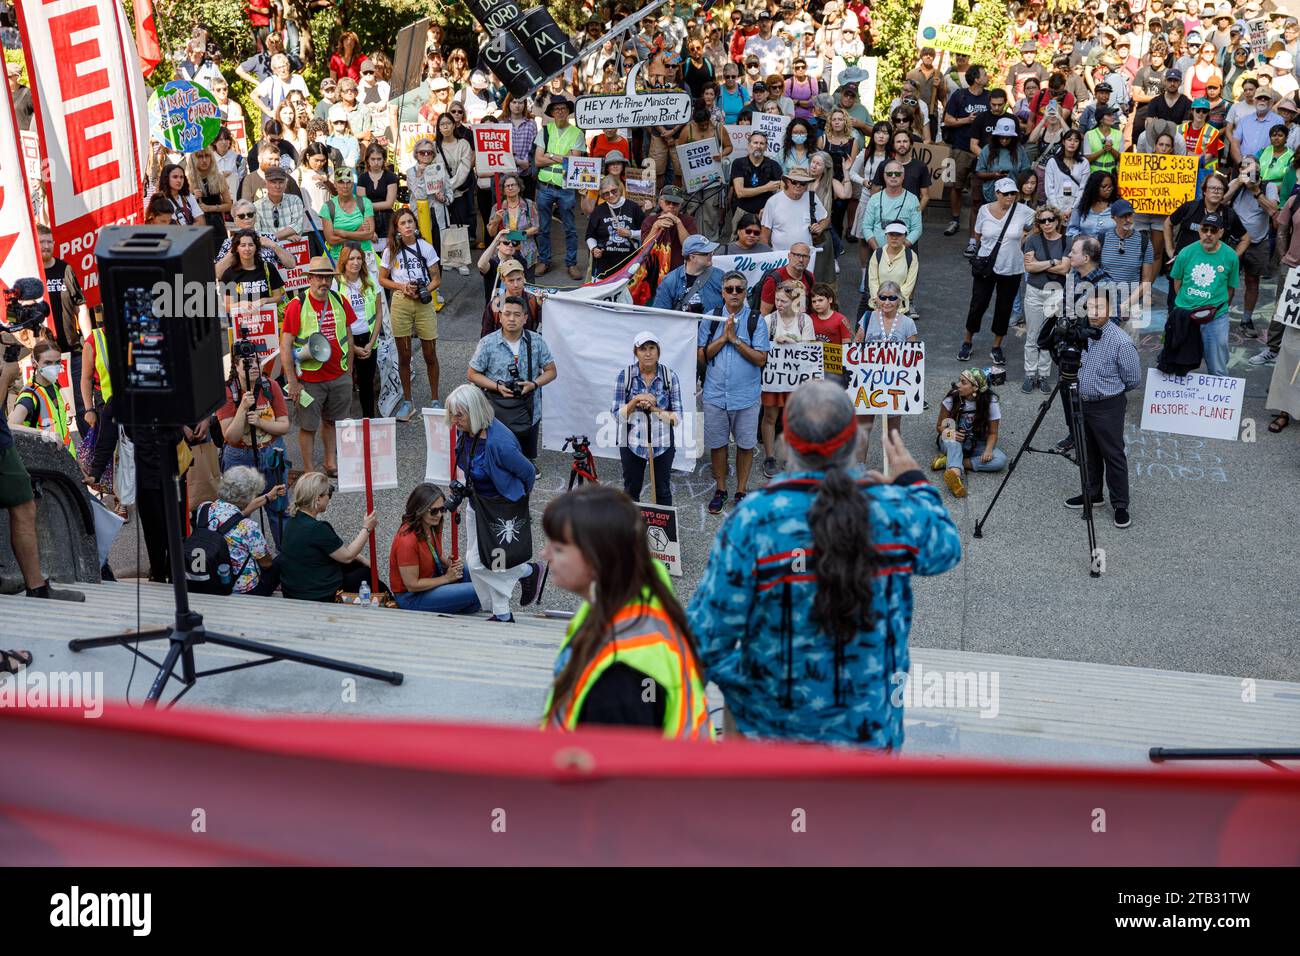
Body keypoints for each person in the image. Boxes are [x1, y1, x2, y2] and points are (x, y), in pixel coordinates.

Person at [688, 382, 961, 748]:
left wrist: (742, 678)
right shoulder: (894, 510)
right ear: (856, 442)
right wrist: (912, 480)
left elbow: (705, 639)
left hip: (770, 742)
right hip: (868, 742)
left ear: (786, 443)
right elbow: (945, 548)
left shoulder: (756, 519)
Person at [540, 485, 710, 736]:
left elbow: (616, 768)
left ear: (598, 558)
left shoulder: (620, 677)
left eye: (558, 549)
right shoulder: (640, 587)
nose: (544, 554)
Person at [445, 384, 547, 623]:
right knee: (487, 562)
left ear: (476, 411)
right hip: (477, 503)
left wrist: (517, 504)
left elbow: (528, 473)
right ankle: (501, 613)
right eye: (452, 414)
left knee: (479, 563)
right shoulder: (467, 432)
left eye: (459, 415)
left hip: (499, 510)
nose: (454, 420)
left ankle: (528, 571)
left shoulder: (499, 443)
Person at [1068, 291, 1143, 529]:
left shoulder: (1121, 341)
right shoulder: (1084, 334)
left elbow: (1133, 379)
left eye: (1099, 307)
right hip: (1082, 401)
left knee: (1113, 455)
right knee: (1088, 452)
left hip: (1107, 405)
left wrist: (1109, 391)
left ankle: (1121, 505)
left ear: (1110, 310)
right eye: (1090, 308)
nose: (1094, 312)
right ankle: (1093, 494)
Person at [698, 272, 770, 514]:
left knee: (745, 444)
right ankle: (720, 489)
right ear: (722, 292)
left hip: (746, 396)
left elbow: (761, 358)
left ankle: (740, 490)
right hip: (715, 395)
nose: (735, 293)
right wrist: (724, 338)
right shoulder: (710, 317)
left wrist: (736, 340)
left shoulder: (755, 319)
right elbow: (701, 355)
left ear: (745, 292)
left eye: (739, 289)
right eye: (730, 289)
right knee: (717, 444)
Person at [280, 256, 355, 477]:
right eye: (319, 278)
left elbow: (349, 338)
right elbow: (285, 347)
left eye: (327, 278)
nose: (324, 282)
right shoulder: (297, 305)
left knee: (332, 421)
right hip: (309, 380)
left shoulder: (340, 300)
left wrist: (349, 372)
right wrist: (292, 382)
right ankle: (310, 471)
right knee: (308, 426)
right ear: (310, 279)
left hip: (339, 375)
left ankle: (330, 463)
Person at [216, 341, 290, 544]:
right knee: (238, 512)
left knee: (279, 509)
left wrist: (260, 422)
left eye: (257, 361)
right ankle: (241, 557)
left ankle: (284, 555)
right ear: (236, 367)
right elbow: (230, 436)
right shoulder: (227, 392)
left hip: (271, 452)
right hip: (240, 455)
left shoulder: (270, 385)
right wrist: (242, 408)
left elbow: (284, 426)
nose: (254, 366)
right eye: (247, 363)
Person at [467, 295, 557, 462]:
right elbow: (472, 374)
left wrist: (534, 384)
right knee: (497, 458)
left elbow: (551, 371)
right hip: (495, 408)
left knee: (526, 459)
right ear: (500, 317)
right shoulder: (488, 343)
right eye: (507, 314)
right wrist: (496, 386)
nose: (511, 319)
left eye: (517, 314)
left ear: (525, 318)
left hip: (529, 409)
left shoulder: (536, 341)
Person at [959, 177, 1035, 365]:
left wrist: (1027, 237)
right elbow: (978, 233)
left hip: (1012, 267)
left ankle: (996, 346)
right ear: (997, 193)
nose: (1010, 196)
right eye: (1006, 193)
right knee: (978, 304)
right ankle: (967, 340)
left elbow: (1045, 219)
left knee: (1004, 307)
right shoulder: (985, 210)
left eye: (1013, 193)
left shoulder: (1023, 211)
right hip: (986, 265)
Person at [379, 208, 441, 422]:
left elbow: (436, 278)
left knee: (430, 354)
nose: (407, 226)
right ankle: (407, 401)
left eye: (410, 222)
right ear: (396, 228)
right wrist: (402, 287)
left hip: (423, 303)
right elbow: (382, 279)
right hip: (400, 301)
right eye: (402, 223)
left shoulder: (426, 247)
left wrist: (424, 290)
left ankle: (435, 400)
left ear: (415, 224)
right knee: (404, 356)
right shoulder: (390, 250)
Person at [279, 472, 382, 601]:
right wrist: (367, 528)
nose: (329, 499)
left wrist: (360, 558)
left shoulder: (292, 521)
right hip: (318, 595)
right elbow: (347, 556)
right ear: (317, 499)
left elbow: (337, 552)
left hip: (293, 590)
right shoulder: (318, 528)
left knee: (357, 565)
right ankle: (391, 605)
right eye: (329, 494)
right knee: (365, 574)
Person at [612, 331, 683, 506]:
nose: (648, 353)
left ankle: (663, 531)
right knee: (631, 491)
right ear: (635, 352)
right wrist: (636, 399)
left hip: (662, 443)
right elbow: (616, 415)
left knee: (663, 490)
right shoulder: (625, 375)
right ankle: (630, 531)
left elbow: (676, 418)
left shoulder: (669, 376)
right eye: (643, 349)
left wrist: (653, 409)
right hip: (632, 443)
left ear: (658, 351)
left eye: (652, 348)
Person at [387, 483, 481, 614]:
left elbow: (435, 554)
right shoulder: (407, 540)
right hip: (411, 597)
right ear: (419, 510)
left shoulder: (432, 525)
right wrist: (447, 578)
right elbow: (412, 585)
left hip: (431, 581)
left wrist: (447, 563)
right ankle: (463, 605)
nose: (439, 515)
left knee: (479, 575)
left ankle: (462, 605)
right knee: (478, 590)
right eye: (434, 511)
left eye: (442, 509)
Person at [1169, 211, 1238, 376]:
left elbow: (1230, 289)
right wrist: (1190, 303)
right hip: (1186, 315)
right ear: (1199, 230)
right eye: (1205, 229)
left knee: (1218, 368)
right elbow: (1177, 283)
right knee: (1177, 364)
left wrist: (1217, 308)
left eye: (1213, 230)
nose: (1208, 234)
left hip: (1215, 317)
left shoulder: (1231, 257)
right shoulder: (1186, 253)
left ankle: (1219, 398)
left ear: (1221, 232)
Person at [760, 281, 818, 478]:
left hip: (796, 378)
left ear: (794, 301)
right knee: (770, 417)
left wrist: (792, 342)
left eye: (783, 300)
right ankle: (769, 456)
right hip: (774, 377)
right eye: (777, 300)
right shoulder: (769, 320)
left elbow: (811, 348)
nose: (779, 304)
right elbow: (760, 346)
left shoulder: (805, 321)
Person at [36, 225, 88, 435]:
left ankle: (90, 458)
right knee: (45, 409)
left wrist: (89, 339)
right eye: (41, 242)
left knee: (82, 406)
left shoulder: (65, 269)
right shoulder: (31, 273)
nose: (46, 246)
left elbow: (81, 305)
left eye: (49, 241)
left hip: (71, 352)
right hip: (42, 356)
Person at [199, 467, 283, 596]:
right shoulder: (248, 527)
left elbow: (232, 515)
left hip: (212, 578)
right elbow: (266, 563)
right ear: (247, 498)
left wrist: (267, 498)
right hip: (245, 589)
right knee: (280, 561)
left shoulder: (204, 508)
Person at [930, 368, 1008, 499]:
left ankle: (952, 462)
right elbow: (939, 427)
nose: (958, 385)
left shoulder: (990, 401)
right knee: (953, 444)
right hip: (951, 440)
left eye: (963, 382)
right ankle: (956, 477)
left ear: (975, 387)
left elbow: (993, 433)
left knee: (1000, 460)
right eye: (959, 381)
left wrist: (988, 450)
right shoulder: (951, 398)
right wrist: (951, 433)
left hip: (977, 442)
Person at [534, 97, 585, 279]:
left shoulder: (577, 133)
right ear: (552, 113)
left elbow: (573, 162)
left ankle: (571, 264)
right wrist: (562, 157)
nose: (561, 112)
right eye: (557, 109)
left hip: (566, 188)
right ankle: (544, 260)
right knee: (543, 227)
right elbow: (538, 160)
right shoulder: (545, 131)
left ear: (568, 111)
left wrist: (552, 155)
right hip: (545, 185)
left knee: (570, 228)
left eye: (563, 109)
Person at [1021, 204, 1070, 393]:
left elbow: (1065, 269)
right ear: (1038, 223)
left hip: (1055, 291)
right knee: (1032, 335)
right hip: (1034, 291)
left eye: (1050, 219)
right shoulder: (1032, 239)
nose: (1047, 223)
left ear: (1057, 221)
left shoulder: (1067, 240)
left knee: (1049, 336)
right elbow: (1028, 268)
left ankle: (1043, 375)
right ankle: (1029, 374)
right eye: (1043, 221)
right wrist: (1052, 262)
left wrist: (1038, 264)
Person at [942, 65, 993, 240]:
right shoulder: (959, 95)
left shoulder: (990, 97)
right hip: (961, 148)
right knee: (955, 186)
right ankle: (955, 219)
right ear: (976, 78)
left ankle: (982, 223)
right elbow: (947, 120)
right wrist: (967, 120)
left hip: (983, 151)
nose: (987, 76)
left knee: (981, 187)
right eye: (984, 74)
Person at [334, 243, 381, 420]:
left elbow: (378, 313)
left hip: (368, 340)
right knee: (344, 385)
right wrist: (353, 348)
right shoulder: (336, 284)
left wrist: (371, 343)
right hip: (346, 342)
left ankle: (369, 422)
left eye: (359, 258)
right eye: (351, 258)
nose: (355, 262)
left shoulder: (370, 280)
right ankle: (344, 425)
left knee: (367, 385)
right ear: (344, 261)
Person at [7, 339, 74, 459]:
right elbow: (10, 426)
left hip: (66, 459)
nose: (54, 367)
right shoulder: (29, 397)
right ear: (34, 362)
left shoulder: (53, 385)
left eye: (57, 362)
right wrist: (44, 434)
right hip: (46, 463)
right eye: (48, 363)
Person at [1099, 198, 1155, 334]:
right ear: (1113, 218)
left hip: (1131, 302)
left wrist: (1126, 304)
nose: (1127, 219)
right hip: (1105, 301)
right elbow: (1095, 272)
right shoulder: (1102, 239)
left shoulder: (1144, 242)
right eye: (1123, 216)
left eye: (1129, 215)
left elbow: (1147, 281)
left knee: (1129, 347)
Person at [586, 175, 645, 279]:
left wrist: (630, 233)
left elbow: (647, 233)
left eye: (614, 191)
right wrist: (594, 248)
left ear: (620, 188)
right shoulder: (598, 211)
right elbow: (590, 235)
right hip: (604, 267)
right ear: (602, 196)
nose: (611, 195)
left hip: (630, 266)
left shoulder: (633, 207)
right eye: (606, 193)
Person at [760, 168, 830, 252]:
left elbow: (825, 218)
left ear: (807, 184)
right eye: (794, 182)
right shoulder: (773, 202)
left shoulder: (812, 197)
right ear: (787, 182)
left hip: (805, 256)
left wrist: (820, 227)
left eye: (803, 183)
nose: (798, 185)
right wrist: (769, 257)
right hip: (780, 257)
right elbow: (764, 235)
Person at [729, 131, 784, 234]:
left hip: (765, 216)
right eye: (755, 143)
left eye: (762, 143)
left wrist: (769, 207)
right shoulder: (738, 163)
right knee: (738, 246)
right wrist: (766, 187)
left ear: (766, 147)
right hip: (742, 213)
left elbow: (782, 192)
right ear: (749, 144)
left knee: (764, 247)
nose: (758, 146)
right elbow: (740, 192)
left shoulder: (773, 165)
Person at [652, 235, 724, 314]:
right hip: (679, 326)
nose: (711, 254)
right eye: (706, 253)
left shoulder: (720, 276)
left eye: (711, 252)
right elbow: (659, 314)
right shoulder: (670, 281)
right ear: (692, 257)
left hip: (712, 326)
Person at [318, 165, 374, 261]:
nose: (345, 186)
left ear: (353, 184)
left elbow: (369, 234)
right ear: (335, 184)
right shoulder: (328, 207)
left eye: (348, 182)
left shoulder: (365, 203)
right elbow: (331, 240)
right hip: (339, 259)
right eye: (341, 182)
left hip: (364, 257)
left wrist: (342, 233)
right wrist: (358, 233)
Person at [1067, 170, 1120, 241]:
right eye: (1104, 186)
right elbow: (1072, 229)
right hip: (1086, 249)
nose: (1109, 189)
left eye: (1110, 186)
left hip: (1111, 250)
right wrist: (1080, 240)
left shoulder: (1117, 205)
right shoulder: (1082, 206)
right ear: (1094, 187)